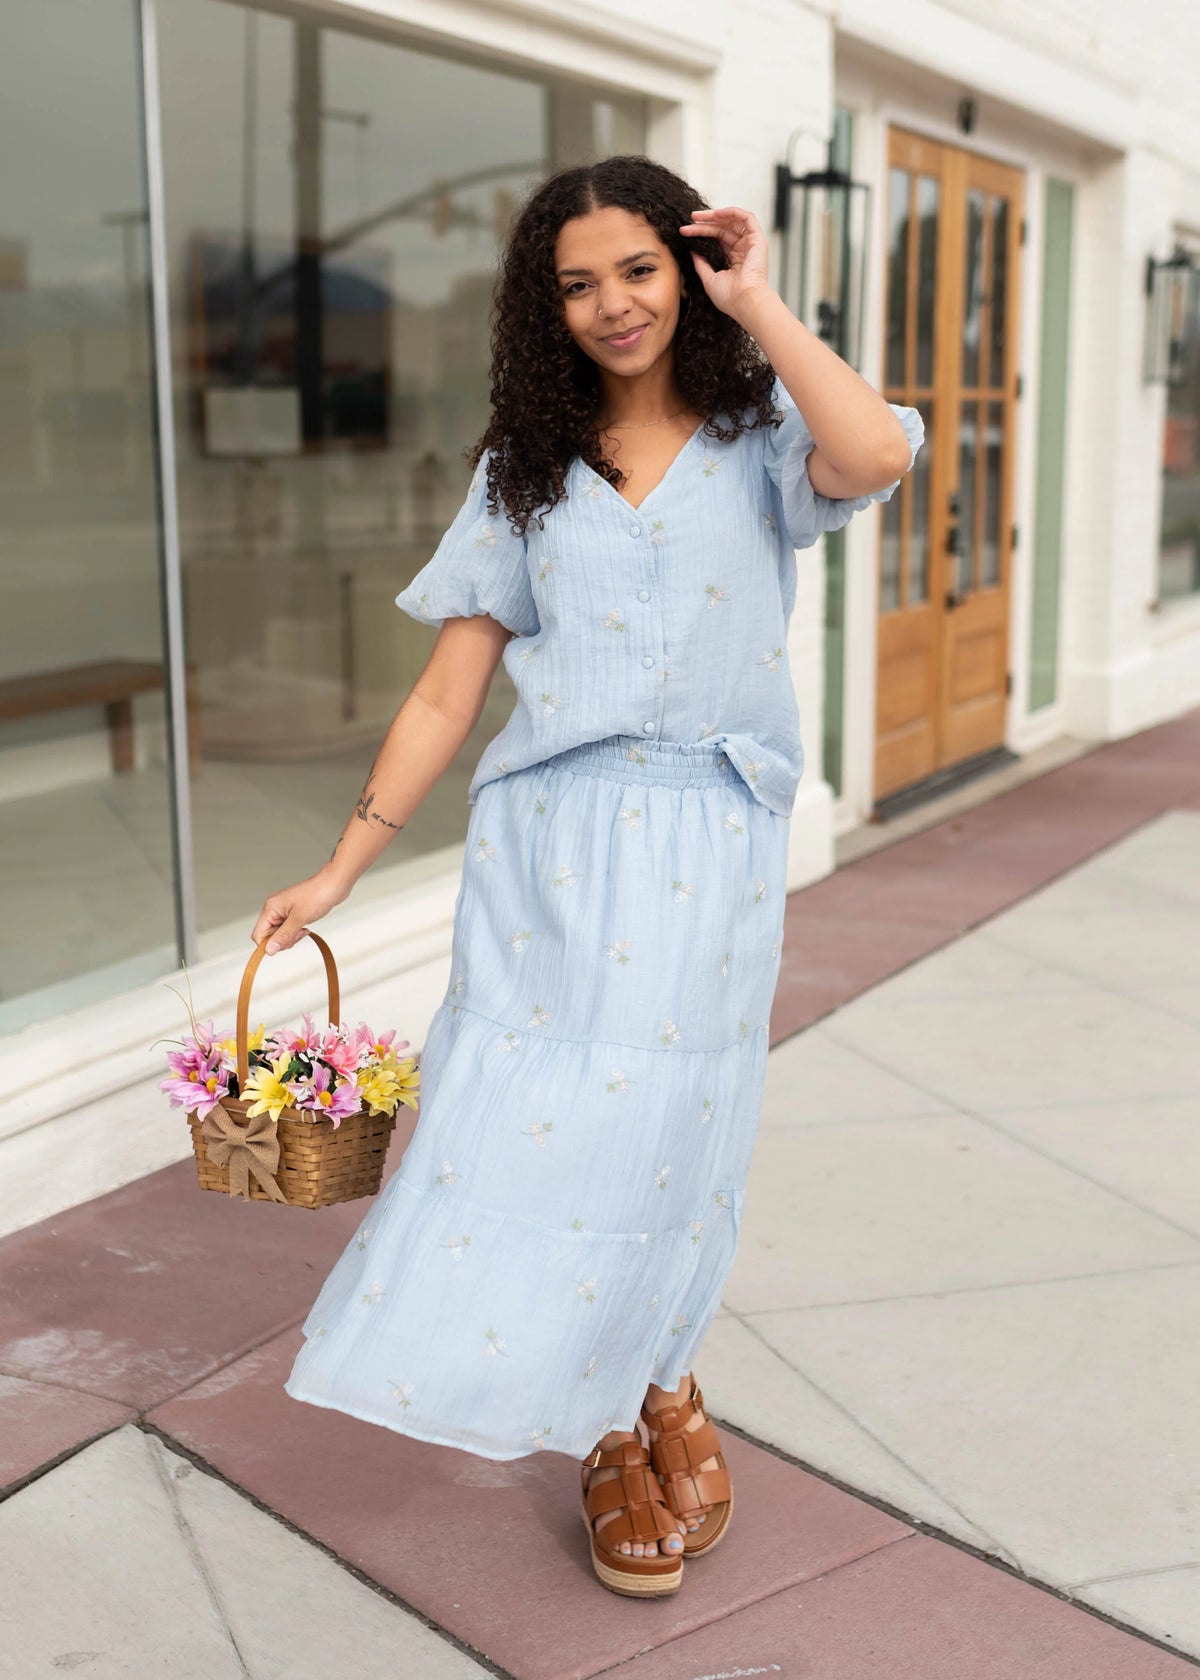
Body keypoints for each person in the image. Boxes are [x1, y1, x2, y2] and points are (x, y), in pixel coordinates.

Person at [251, 155, 923, 1600]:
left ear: (687, 270)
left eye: (638, 269)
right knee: (530, 1135)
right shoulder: (526, 471)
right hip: (550, 851)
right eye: (575, 284)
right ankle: (614, 1426)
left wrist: (761, 301)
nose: (612, 304)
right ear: (540, 308)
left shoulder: (761, 438)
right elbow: (447, 690)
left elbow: (876, 455)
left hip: (711, 844)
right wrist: (344, 864)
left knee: (675, 1135)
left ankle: (655, 1371)